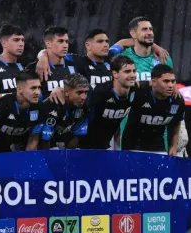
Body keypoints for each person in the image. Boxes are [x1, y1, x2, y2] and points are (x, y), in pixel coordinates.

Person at [110, 16, 188, 157]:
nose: (149, 32)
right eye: (144, 29)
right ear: (133, 34)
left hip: (158, 122)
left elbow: (169, 81)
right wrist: (124, 42)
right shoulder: (122, 57)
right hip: (130, 120)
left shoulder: (163, 57)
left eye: (151, 29)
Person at [36, 28, 170, 88]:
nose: (105, 45)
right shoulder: (78, 61)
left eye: (106, 41)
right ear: (88, 45)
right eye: (100, 42)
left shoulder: (110, 56)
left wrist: (155, 47)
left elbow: (124, 42)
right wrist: (42, 57)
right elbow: (51, 52)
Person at [121, 64, 186, 156]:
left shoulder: (177, 100)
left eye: (173, 81)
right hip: (132, 147)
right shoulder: (139, 92)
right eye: (166, 81)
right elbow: (120, 86)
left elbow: (176, 123)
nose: (171, 85)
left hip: (158, 148)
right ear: (154, 82)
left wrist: (173, 147)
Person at [78, 55, 137, 150]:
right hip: (82, 147)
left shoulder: (135, 90)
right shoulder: (100, 92)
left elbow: (152, 84)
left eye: (134, 71)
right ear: (115, 74)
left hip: (105, 147)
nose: (133, 75)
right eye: (127, 71)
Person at [27, 73, 90, 150]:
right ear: (66, 92)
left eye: (86, 92)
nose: (83, 97)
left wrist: (68, 157)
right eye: (79, 92)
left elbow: (77, 135)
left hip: (62, 143)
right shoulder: (52, 105)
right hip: (40, 147)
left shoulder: (85, 105)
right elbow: (45, 141)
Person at [25, 26, 77, 100]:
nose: (65, 45)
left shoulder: (74, 64)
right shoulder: (33, 68)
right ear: (48, 43)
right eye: (60, 41)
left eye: (66, 41)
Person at [0, 24, 27, 98]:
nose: (21, 44)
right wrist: (12, 97)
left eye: (22, 40)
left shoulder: (22, 67)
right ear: (4, 43)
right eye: (16, 40)